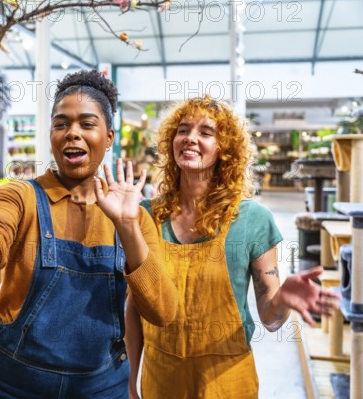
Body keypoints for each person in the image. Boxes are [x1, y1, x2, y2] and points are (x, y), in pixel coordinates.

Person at [0, 69, 178, 399]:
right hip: (13, 384)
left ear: (109, 136)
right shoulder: (21, 197)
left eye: (87, 124)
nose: (72, 133)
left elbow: (163, 311)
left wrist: (127, 227)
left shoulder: (134, 217)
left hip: (100, 386)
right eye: (61, 124)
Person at [125, 96, 341, 399]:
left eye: (205, 132)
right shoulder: (147, 215)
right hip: (161, 379)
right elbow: (135, 306)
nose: (190, 139)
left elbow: (270, 318)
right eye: (183, 130)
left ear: (225, 148)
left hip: (227, 382)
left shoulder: (252, 219)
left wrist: (284, 299)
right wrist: (130, 382)